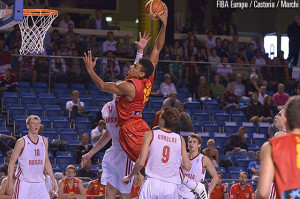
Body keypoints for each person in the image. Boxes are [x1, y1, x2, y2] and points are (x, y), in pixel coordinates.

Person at [83, 4, 168, 162]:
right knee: (148, 163)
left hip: (130, 129)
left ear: (140, 73)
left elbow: (102, 85)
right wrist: (164, 23)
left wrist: (90, 70)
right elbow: (157, 48)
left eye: (134, 66)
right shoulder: (148, 77)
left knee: (145, 166)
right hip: (140, 122)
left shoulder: (128, 87)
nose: (130, 65)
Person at [122, 106, 192, 199]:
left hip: (152, 183)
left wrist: (129, 177)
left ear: (162, 121)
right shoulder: (180, 139)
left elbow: (141, 162)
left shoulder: (150, 134)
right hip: (171, 187)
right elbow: (187, 167)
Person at [82, 98, 134, 199]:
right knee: (110, 190)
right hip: (114, 153)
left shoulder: (130, 109)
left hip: (126, 153)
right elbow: (107, 134)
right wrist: (90, 154)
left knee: (124, 191)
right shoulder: (112, 108)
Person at [256, 96, 300, 199]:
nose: (276, 117)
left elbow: (262, 193)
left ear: (286, 120)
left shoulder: (272, 145)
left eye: (280, 115)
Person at [6, 115, 56, 199]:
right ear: (28, 126)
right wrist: (9, 181)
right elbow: (12, 162)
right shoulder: (21, 142)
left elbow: (46, 161)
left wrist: (52, 179)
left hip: (40, 183)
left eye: (38, 123)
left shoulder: (44, 141)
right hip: (24, 183)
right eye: (33, 123)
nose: (36, 126)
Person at [178, 133, 218, 199]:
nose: (191, 144)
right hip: (179, 194)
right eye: (190, 142)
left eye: (194, 142)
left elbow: (215, 177)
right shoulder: (182, 157)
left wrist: (207, 193)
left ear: (199, 145)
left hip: (193, 195)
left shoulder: (204, 159)